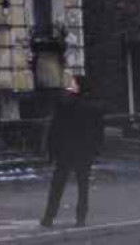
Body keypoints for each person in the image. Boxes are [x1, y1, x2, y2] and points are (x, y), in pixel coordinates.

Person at [40, 74, 105, 228]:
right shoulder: (93, 107)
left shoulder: (65, 104)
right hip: (85, 151)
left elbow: (55, 128)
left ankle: (49, 217)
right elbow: (98, 131)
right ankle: (81, 218)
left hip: (65, 150)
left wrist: (51, 150)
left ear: (78, 87)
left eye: (73, 83)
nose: (70, 85)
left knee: (57, 185)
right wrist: (96, 149)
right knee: (83, 185)